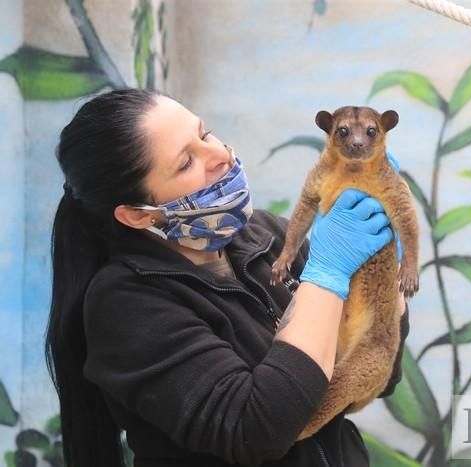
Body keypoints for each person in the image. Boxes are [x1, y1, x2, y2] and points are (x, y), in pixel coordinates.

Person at [44, 88, 410, 467]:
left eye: (204, 134)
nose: (220, 154)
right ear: (139, 214)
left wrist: (378, 273)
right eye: (187, 162)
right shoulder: (124, 305)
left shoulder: (267, 238)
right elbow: (257, 430)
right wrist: (329, 272)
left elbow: (375, 375)